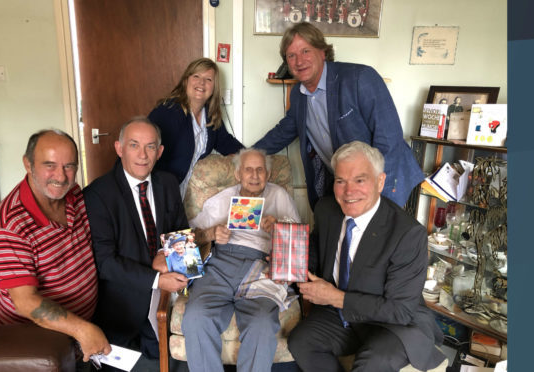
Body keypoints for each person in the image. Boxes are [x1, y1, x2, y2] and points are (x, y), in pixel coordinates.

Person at [288, 141, 445, 372]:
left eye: (360, 180)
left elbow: (399, 310)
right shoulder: (327, 210)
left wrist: (336, 298)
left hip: (395, 324)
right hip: (344, 317)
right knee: (300, 341)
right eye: (341, 181)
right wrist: (289, 266)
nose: (348, 191)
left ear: (380, 182)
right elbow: (314, 255)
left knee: (372, 361)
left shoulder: (408, 234)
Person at [253, 22, 423, 209]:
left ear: (322, 52)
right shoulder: (298, 94)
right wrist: (248, 154)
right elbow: (284, 131)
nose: (299, 61)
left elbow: (389, 138)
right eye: (291, 56)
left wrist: (375, 187)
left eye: (305, 51)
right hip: (346, 185)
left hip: (388, 180)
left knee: (382, 237)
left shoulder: (360, 78)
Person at [0, 130, 111, 365]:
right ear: (28, 163)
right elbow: (26, 302)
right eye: (49, 165)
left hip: (77, 331)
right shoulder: (9, 223)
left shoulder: (73, 194)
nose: (61, 177)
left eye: (69, 166)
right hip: (33, 344)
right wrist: (82, 329)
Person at [83, 117, 189, 369]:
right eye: (134, 145)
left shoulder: (168, 183)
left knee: (179, 364)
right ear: (119, 148)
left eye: (150, 146)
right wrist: (156, 279)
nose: (143, 155)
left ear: (160, 152)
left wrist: (170, 259)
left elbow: (180, 233)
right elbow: (105, 263)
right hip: (123, 307)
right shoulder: (98, 195)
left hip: (165, 297)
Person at [181, 148, 301, 372]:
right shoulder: (224, 198)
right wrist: (211, 233)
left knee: (262, 323)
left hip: (261, 266)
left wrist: (279, 228)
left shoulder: (278, 196)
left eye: (260, 170)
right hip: (220, 263)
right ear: (238, 174)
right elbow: (190, 234)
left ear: (268, 173)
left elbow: (299, 243)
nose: (254, 175)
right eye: (248, 170)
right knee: (196, 317)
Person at [148, 57, 244, 199]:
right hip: (157, 191)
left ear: (214, 88)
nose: (201, 83)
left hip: (182, 192)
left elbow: (226, 143)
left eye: (208, 79)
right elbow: (145, 150)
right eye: (196, 76)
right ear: (186, 80)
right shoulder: (168, 111)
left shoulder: (210, 115)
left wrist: (252, 157)